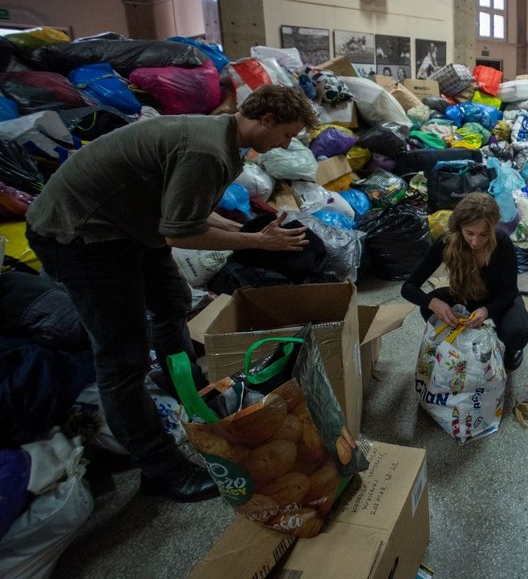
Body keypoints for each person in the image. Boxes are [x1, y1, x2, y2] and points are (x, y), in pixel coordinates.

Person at [25, 85, 318, 502]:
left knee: (172, 303)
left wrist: (247, 230)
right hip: (82, 236)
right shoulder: (207, 150)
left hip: (129, 226)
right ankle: (160, 468)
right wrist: (257, 243)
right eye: (287, 134)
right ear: (266, 120)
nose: (286, 144)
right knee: (122, 357)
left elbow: (190, 209)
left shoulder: (222, 140)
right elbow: (180, 233)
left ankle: (193, 398)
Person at [401, 192, 528, 371]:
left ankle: (512, 349)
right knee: (428, 308)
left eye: (484, 234)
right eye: (469, 233)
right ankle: (457, 338)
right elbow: (408, 287)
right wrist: (434, 303)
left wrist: (486, 310)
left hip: (499, 297)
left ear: (493, 227)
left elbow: (510, 291)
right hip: (465, 295)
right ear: (459, 226)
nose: (476, 242)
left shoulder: (502, 242)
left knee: (518, 333)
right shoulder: (446, 242)